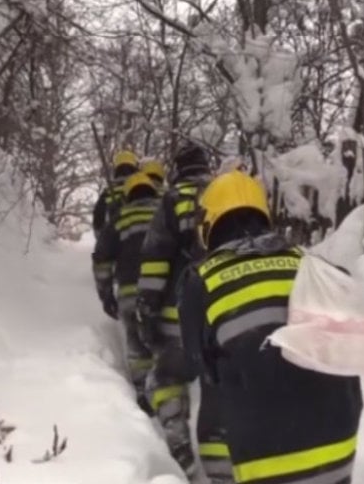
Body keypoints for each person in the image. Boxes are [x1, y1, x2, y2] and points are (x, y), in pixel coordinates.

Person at [177, 170, 363, 484]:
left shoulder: (201, 281)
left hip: (264, 453)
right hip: (338, 444)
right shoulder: (311, 264)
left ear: (208, 225)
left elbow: (200, 363)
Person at [136, 142, 231, 482]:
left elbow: (156, 258)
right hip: (223, 314)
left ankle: (181, 455)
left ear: (178, 169)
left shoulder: (172, 201)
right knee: (220, 386)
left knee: (167, 379)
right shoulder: (224, 193)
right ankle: (224, 470)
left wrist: (146, 309)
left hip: (177, 315)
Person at [91, 171, 161, 411]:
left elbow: (101, 259)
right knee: (164, 340)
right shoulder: (165, 215)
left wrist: (106, 295)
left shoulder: (120, 219)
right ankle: (167, 389)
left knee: (136, 341)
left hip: (130, 292)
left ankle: (143, 391)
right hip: (164, 291)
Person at [92, 150, 139, 239]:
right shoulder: (143, 188)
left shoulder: (108, 192)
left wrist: (101, 239)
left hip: (116, 239)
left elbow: (98, 217)